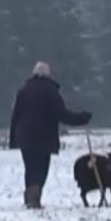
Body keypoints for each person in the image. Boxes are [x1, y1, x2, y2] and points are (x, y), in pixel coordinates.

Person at [7, 61, 92, 209]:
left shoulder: (23, 91)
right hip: (43, 137)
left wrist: (13, 139)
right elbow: (61, 114)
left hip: (24, 138)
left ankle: (30, 198)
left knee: (30, 168)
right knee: (41, 168)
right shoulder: (50, 91)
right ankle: (34, 199)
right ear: (48, 74)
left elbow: (15, 116)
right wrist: (82, 118)